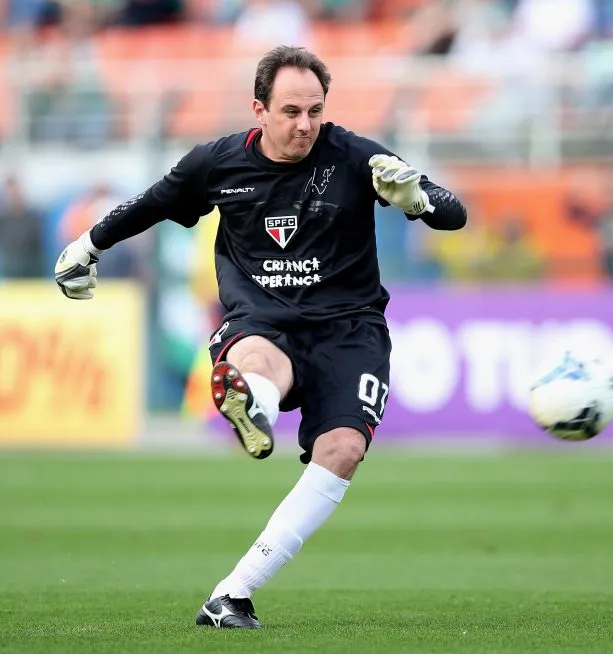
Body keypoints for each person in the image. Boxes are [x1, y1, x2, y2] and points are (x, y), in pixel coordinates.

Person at [53, 45, 468, 628]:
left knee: (343, 451)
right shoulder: (218, 163)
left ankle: (233, 593)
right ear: (260, 110)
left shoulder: (355, 156)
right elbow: (152, 203)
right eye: (291, 111)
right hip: (264, 321)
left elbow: (455, 213)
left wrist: (419, 201)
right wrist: (88, 245)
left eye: (315, 111)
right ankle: (255, 405)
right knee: (255, 357)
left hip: (350, 329)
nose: (305, 125)